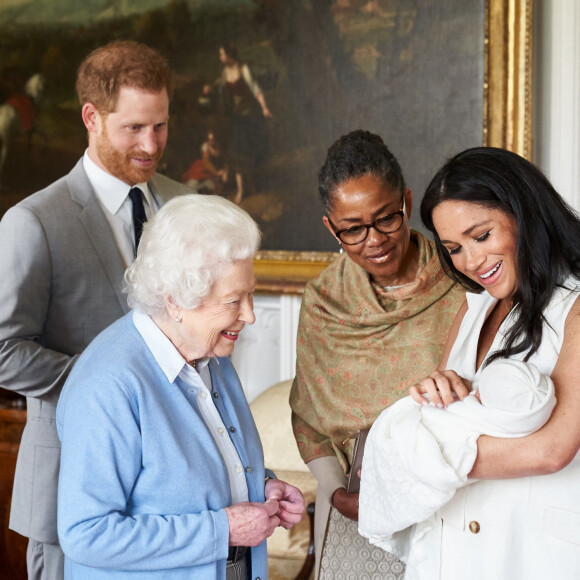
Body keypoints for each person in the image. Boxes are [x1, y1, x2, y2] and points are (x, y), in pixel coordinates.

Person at [0, 40, 193, 580]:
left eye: (160, 126)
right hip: (70, 486)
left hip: (171, 492)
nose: (151, 145)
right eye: (134, 128)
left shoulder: (185, 206)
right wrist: (109, 386)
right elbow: (2, 351)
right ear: (92, 117)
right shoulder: (33, 220)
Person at [56, 194, 305, 579]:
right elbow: (86, 534)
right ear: (175, 300)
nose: (250, 315)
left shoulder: (211, 354)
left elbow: (190, 475)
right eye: (234, 300)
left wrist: (263, 487)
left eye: (251, 294)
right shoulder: (108, 385)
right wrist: (223, 530)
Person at [289, 130, 465, 579]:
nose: (375, 240)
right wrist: (336, 494)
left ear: (406, 201)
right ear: (331, 227)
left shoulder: (462, 281)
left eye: (387, 218)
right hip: (354, 501)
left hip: (454, 492)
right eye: (353, 229)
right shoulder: (325, 301)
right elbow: (308, 414)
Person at [405, 146, 580, 579]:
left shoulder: (574, 307)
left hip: (529, 551)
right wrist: (437, 389)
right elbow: (440, 414)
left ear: (525, 212)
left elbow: (552, 450)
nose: (472, 261)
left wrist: (425, 454)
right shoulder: (473, 309)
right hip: (454, 542)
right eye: (454, 248)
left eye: (481, 236)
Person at [359, 359, 556, 578]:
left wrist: (390, 463)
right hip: (448, 529)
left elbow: (550, 454)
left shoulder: (476, 420)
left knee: (403, 435)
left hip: (503, 533)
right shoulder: (525, 412)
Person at [201, 43, 271, 204]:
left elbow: (255, 89)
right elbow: (219, 86)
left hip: (249, 118)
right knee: (237, 154)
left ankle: (254, 186)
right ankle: (241, 191)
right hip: (236, 119)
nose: (220, 58)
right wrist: (209, 89)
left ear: (229, 56)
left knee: (249, 153)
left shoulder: (243, 69)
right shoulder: (226, 72)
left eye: (222, 55)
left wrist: (264, 108)